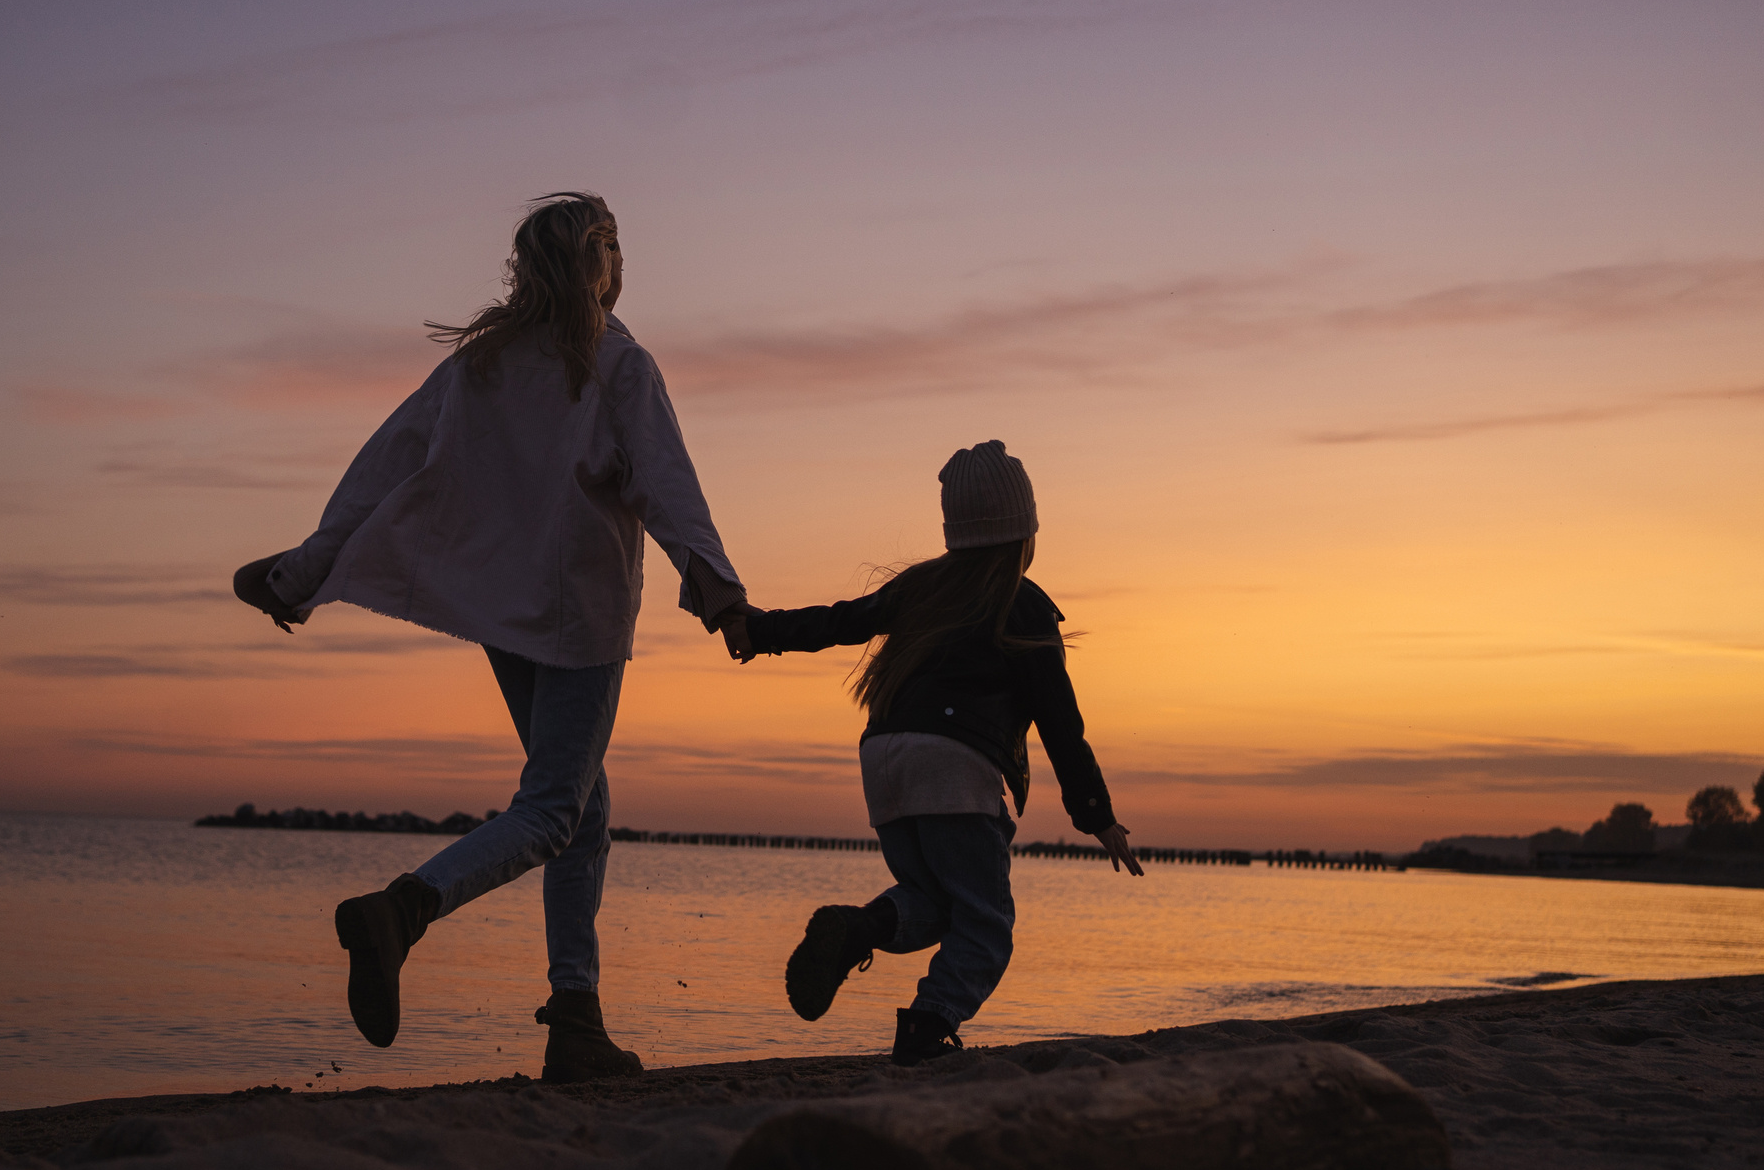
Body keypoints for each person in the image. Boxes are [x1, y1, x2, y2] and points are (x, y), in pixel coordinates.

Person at [232, 192, 750, 1084]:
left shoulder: (484, 363)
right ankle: (403, 910)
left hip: (504, 614)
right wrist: (717, 581)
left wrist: (305, 567)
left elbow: (389, 458)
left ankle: (576, 1019)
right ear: (604, 264)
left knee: (581, 811)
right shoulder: (617, 361)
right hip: (580, 612)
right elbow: (665, 481)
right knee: (553, 808)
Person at [739, 440, 1141, 1065]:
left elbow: (837, 621)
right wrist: (1097, 814)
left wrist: (757, 630)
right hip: (957, 767)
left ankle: (857, 932)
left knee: (935, 902)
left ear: (956, 531)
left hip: (886, 760)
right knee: (986, 923)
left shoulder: (921, 588)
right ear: (1024, 531)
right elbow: (1062, 724)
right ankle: (928, 1028)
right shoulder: (1026, 605)